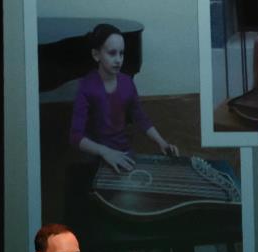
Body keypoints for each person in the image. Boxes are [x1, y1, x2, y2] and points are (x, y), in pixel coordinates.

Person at [69, 23, 179, 174]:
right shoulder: (86, 87)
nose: (118, 60)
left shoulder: (127, 83)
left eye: (121, 53)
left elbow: (141, 118)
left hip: (123, 151)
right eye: (112, 53)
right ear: (96, 55)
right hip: (96, 155)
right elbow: (76, 137)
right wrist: (105, 152)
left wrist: (162, 142)